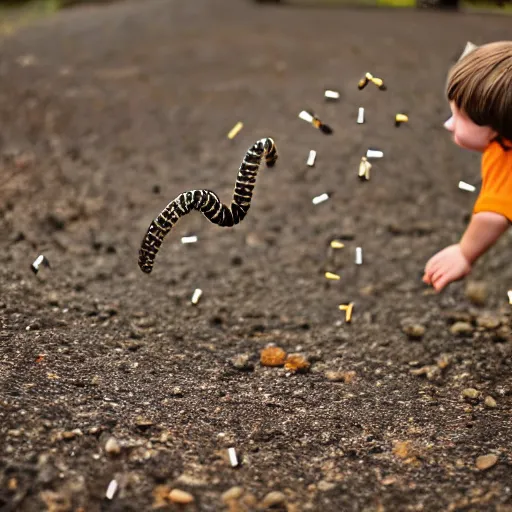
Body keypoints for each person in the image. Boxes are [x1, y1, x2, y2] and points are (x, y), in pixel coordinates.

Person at [423, 41, 512, 292]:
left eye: (461, 117)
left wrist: (464, 253)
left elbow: (493, 215)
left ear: (495, 127)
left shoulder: (504, 155)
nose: (448, 124)